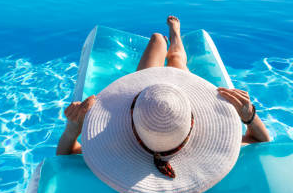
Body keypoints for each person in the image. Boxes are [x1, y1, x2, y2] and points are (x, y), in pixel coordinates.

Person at [56, 16, 270, 158]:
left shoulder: (114, 150)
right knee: (177, 59)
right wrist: (249, 116)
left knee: (158, 41)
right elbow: (261, 141)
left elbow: (66, 155)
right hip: (175, 99)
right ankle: (175, 35)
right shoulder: (210, 149)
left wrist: (72, 130)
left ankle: (168, 37)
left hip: (147, 97)